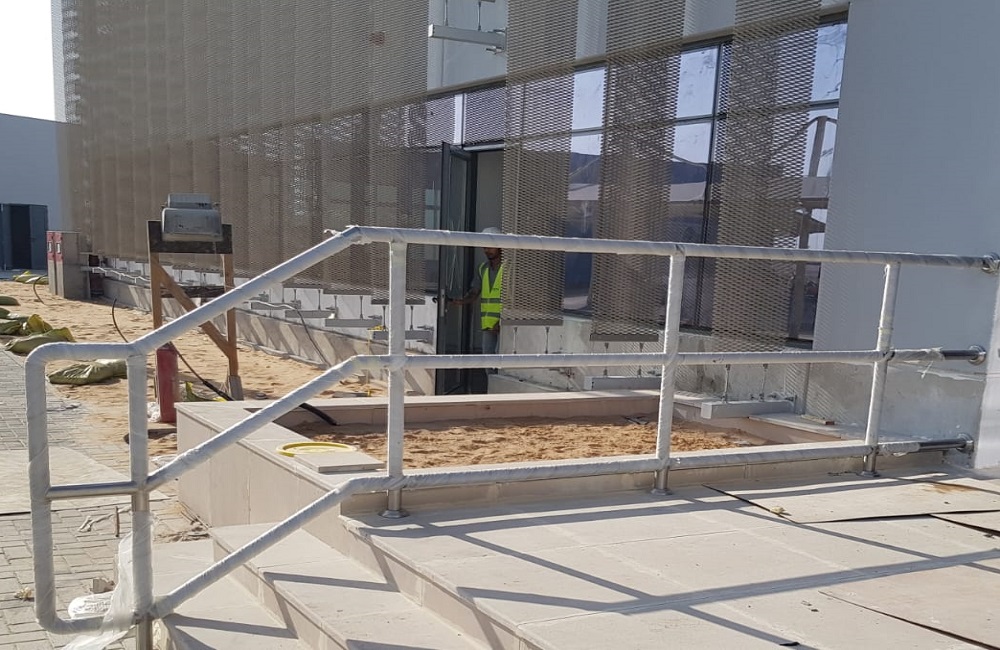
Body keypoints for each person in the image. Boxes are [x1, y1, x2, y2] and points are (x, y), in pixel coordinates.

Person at [449, 227, 503, 371]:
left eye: (489, 247)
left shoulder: (508, 268)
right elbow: (475, 292)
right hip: (488, 325)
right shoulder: (482, 268)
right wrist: (461, 301)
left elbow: (515, 298)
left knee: (501, 364)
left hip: (504, 325)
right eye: (484, 247)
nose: (486, 250)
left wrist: (503, 322)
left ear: (500, 246)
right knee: (488, 365)